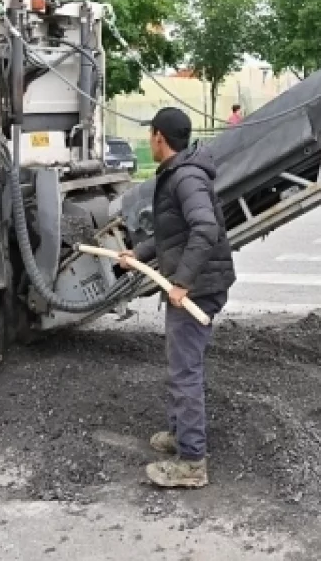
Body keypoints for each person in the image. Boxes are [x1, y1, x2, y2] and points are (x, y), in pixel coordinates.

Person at [118, 107, 235, 489]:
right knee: (180, 365)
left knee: (185, 371)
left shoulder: (185, 178)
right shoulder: (179, 173)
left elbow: (205, 228)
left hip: (198, 289)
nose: (148, 141)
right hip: (196, 284)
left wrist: (182, 282)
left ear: (158, 137)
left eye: (149, 135)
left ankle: (192, 463)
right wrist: (141, 254)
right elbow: (176, 233)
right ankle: (181, 434)